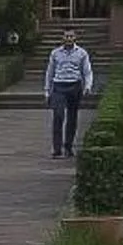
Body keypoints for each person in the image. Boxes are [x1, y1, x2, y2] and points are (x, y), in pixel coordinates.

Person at [45, 28, 95, 157]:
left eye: (71, 36)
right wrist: (47, 90)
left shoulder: (82, 53)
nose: (68, 39)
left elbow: (87, 71)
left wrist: (88, 86)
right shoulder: (55, 53)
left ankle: (68, 146)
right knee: (58, 115)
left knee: (72, 117)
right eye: (66, 36)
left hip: (74, 85)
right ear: (62, 38)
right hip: (59, 85)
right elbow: (50, 72)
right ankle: (57, 148)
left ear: (75, 38)